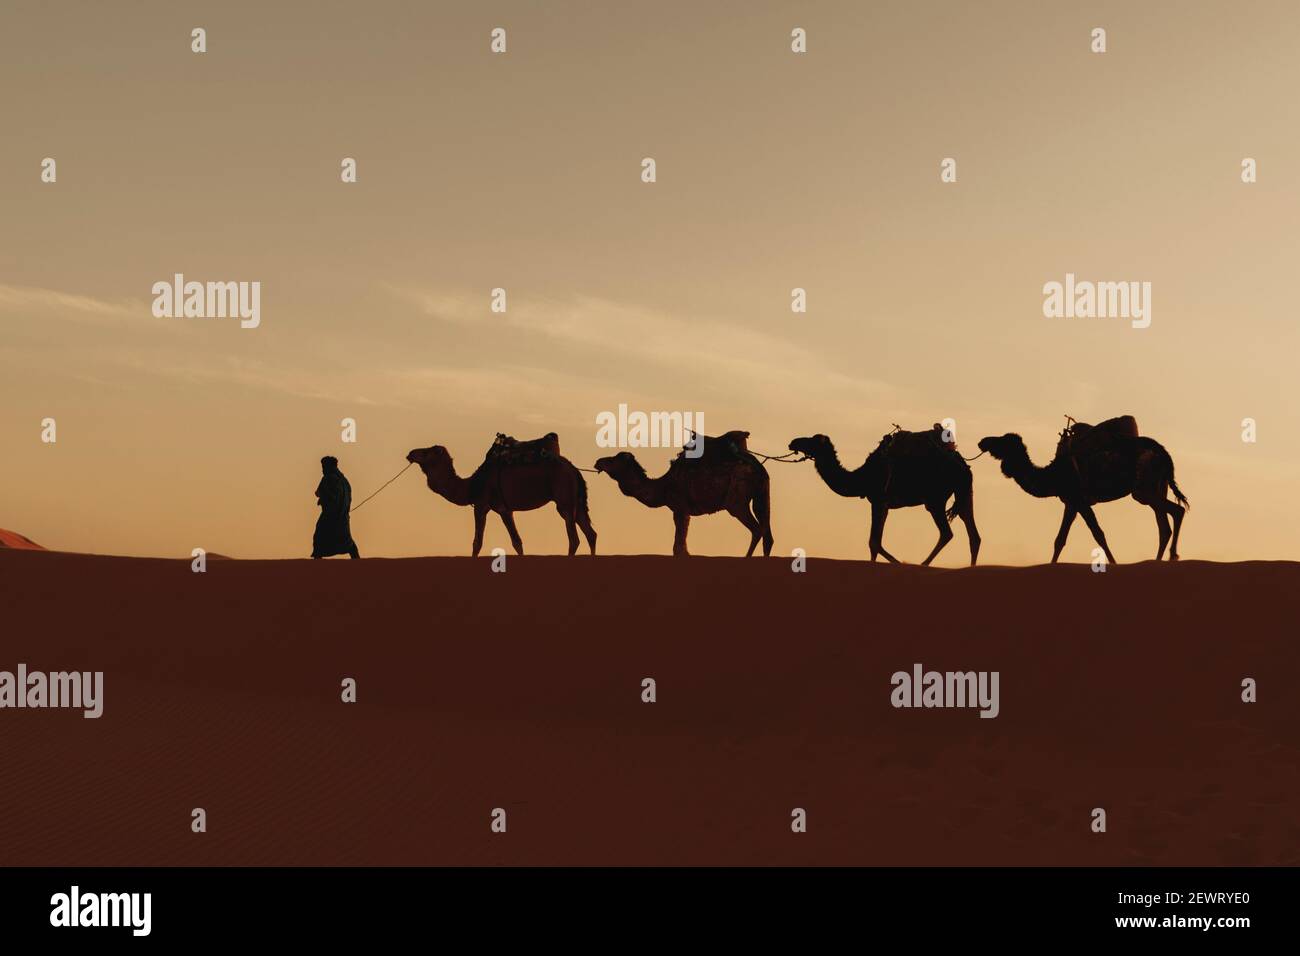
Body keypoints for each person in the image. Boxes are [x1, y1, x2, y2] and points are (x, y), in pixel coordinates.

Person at [312, 456, 360, 559]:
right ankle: (358, 563)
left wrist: (323, 497)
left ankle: (316, 568)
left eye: (324, 466)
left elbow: (321, 493)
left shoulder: (329, 478)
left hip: (331, 516)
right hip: (343, 517)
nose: (323, 469)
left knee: (319, 538)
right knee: (348, 542)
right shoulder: (344, 480)